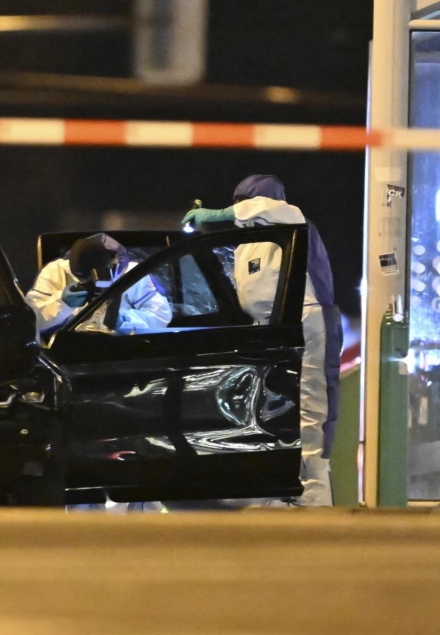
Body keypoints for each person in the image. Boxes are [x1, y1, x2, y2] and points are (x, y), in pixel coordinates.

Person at [183, 175, 341, 507]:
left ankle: (315, 495)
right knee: (272, 410)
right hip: (269, 331)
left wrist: (217, 214)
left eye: (244, 202)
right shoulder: (246, 245)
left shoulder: (292, 220)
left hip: (308, 321)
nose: (240, 209)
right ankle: (281, 490)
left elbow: (269, 208)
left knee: (312, 407)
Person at [26, 233, 171, 341]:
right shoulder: (55, 272)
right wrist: (62, 304)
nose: (90, 282)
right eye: (83, 278)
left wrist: (123, 321)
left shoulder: (134, 274)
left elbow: (160, 317)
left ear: (113, 264)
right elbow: (30, 323)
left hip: (122, 350)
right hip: (68, 352)